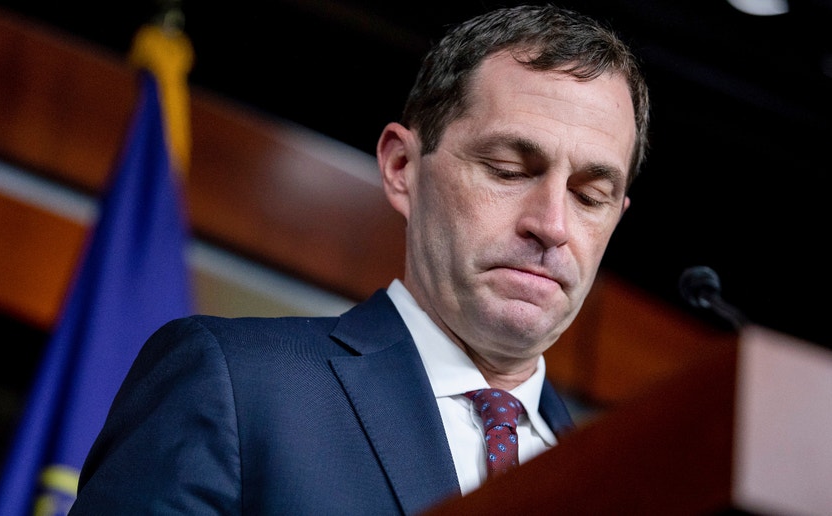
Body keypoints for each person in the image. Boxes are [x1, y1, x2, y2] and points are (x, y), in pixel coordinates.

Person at [69, 3, 650, 514]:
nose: (552, 225)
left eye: (589, 196)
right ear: (402, 168)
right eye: (508, 170)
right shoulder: (235, 385)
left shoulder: (629, 492)